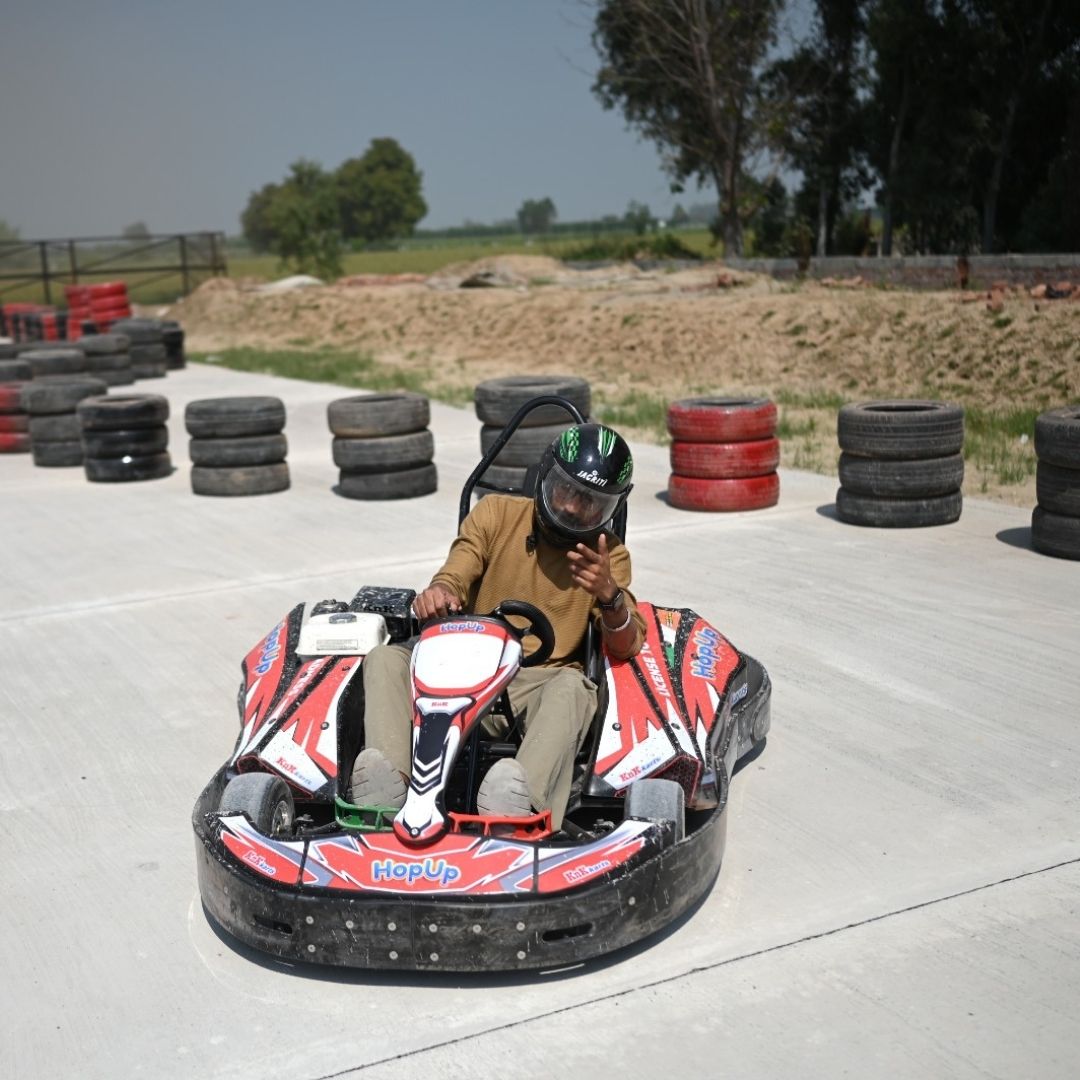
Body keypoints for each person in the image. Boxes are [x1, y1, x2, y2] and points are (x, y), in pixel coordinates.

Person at [352, 422, 645, 830]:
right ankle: (389, 788)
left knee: (575, 689)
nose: (575, 509)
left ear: (612, 507)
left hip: (538, 684)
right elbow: (457, 570)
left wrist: (609, 596)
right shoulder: (495, 513)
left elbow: (626, 646)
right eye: (568, 491)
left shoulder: (608, 556)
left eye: (592, 502)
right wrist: (440, 592)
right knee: (386, 658)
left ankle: (520, 804)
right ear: (545, 475)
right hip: (462, 669)